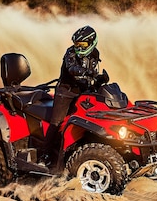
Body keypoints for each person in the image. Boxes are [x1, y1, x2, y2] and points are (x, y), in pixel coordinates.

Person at [41, 25, 107, 165]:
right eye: (76, 44)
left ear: (92, 43)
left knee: (90, 120)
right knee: (57, 123)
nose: (79, 48)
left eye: (82, 45)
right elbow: (72, 69)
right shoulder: (70, 52)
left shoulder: (95, 53)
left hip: (83, 91)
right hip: (65, 92)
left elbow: (93, 73)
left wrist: (99, 79)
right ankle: (45, 155)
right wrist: (85, 71)